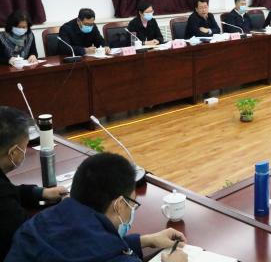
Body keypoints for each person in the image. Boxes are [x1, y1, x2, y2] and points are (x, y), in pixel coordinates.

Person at [7, 152, 187, 262]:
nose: (132, 210)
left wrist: (145, 240)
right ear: (119, 204)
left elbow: (87, 244)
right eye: (132, 203)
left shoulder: (34, 226)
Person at [0, 106, 68, 260]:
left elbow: (10, 191)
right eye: (24, 147)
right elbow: (30, 234)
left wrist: (41, 193)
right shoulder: (4, 203)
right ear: (13, 152)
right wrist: (65, 210)